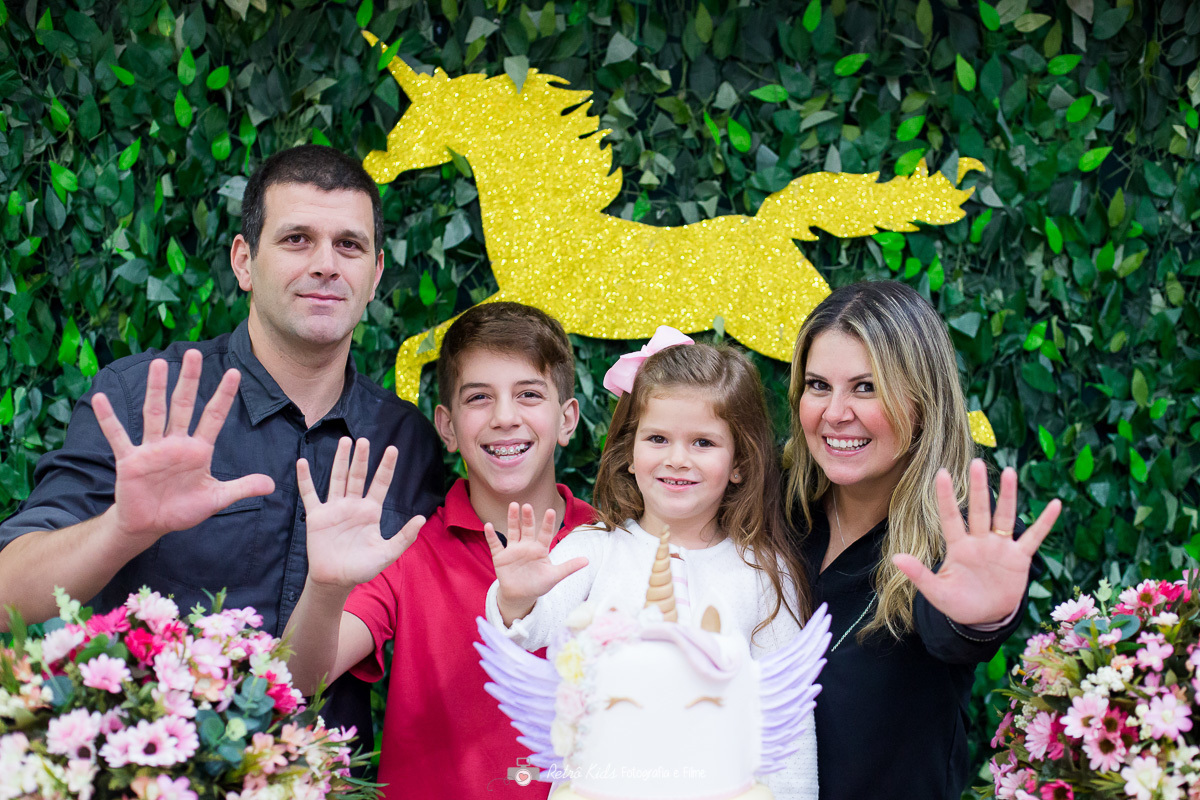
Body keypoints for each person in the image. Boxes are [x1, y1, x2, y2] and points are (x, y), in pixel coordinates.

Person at [0, 145, 444, 736]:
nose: (325, 264)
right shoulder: (144, 398)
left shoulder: (404, 441)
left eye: (349, 245)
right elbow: (9, 592)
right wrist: (122, 529)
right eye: (296, 240)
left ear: (376, 274)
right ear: (243, 261)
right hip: (149, 767)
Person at [483, 329, 819, 799]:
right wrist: (517, 598)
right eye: (658, 438)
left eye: (703, 442)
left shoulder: (764, 576)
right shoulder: (595, 549)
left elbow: (789, 731)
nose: (677, 459)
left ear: (740, 462)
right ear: (630, 455)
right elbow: (530, 626)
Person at [282, 302, 596, 800]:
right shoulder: (409, 550)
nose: (505, 417)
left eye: (529, 394)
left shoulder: (609, 545)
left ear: (567, 419)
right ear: (447, 427)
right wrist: (325, 586)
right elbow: (298, 680)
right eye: (479, 398)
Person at [781, 281, 1061, 800]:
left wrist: (981, 617)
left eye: (866, 387)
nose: (835, 412)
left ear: (922, 398)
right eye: (818, 385)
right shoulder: (773, 508)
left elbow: (952, 631)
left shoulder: (964, 542)